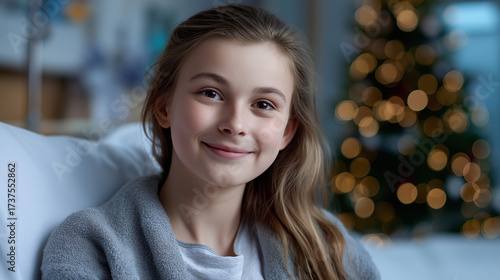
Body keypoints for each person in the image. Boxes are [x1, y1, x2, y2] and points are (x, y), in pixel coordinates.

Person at [41, 4, 380, 280]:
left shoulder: (327, 244)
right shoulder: (92, 244)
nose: (235, 124)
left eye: (263, 105)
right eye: (211, 93)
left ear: (286, 133)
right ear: (163, 107)